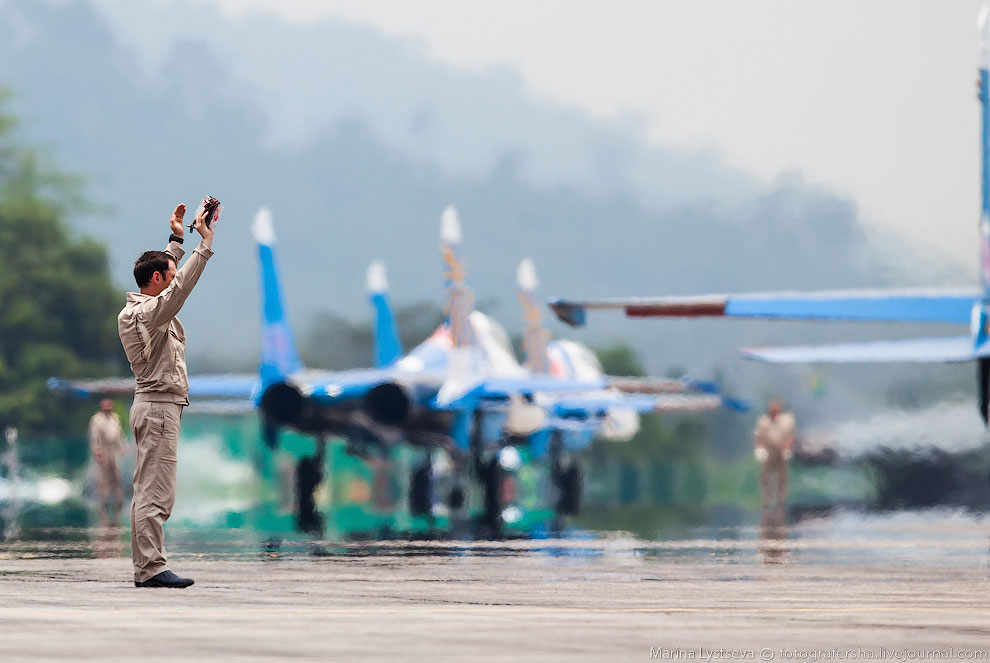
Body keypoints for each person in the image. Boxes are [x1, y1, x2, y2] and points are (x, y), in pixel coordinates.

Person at [118, 202, 215, 588]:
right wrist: (202, 245)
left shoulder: (144, 308)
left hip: (159, 407)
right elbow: (178, 289)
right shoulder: (145, 314)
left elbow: (165, 280)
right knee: (154, 494)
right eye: (167, 275)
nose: (172, 280)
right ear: (157, 279)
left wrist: (177, 237)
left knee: (152, 490)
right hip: (157, 408)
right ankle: (151, 569)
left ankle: (149, 566)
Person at [753, 399, 796, 510]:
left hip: (781, 452)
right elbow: (759, 437)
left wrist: (787, 449)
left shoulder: (786, 420)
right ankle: (766, 499)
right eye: (772, 408)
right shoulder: (763, 421)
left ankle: (781, 500)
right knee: (766, 476)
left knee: (782, 477)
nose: (773, 410)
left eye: (776, 408)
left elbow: (789, 436)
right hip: (769, 451)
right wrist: (759, 449)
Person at [88, 399, 126, 521]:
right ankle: (103, 502)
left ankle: (118, 500)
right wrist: (97, 450)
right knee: (104, 477)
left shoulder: (115, 418)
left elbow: (119, 434)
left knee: (116, 476)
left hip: (112, 449)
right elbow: (94, 436)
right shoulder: (97, 419)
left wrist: (122, 446)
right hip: (103, 448)